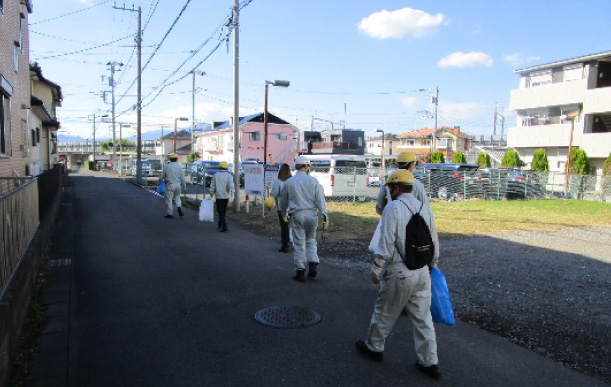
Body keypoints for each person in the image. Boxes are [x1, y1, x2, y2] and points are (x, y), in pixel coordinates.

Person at [356, 169, 442, 379]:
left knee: (385, 311)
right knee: (423, 319)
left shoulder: (393, 208)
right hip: (422, 271)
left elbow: (386, 242)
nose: (390, 192)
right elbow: (434, 241)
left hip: (399, 271)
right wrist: (434, 265)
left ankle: (374, 347)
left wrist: (377, 268)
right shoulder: (425, 207)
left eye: (390, 188)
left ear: (395, 188)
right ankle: (429, 362)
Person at [278, 155, 327, 282]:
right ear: (306, 166)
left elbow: (282, 201)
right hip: (312, 214)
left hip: (297, 214)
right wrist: (325, 215)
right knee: (311, 239)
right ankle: (313, 263)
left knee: (299, 242)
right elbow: (320, 200)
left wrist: (284, 213)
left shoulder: (289, 182)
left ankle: (300, 270)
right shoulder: (314, 181)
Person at [271, 163, 293, 253]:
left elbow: (274, 194)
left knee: (284, 226)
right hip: (292, 207)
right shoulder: (292, 181)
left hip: (282, 207)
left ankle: (285, 245)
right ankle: (291, 242)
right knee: (290, 226)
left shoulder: (278, 182)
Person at [158, 154, 186, 219]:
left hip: (170, 185)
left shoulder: (166, 166)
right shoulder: (179, 167)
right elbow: (183, 178)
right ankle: (179, 207)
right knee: (177, 197)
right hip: (178, 185)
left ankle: (170, 213)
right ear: (176, 159)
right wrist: (184, 187)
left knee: (169, 199)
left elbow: (161, 176)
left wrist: (159, 183)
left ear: (170, 160)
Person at [210, 160, 234, 232]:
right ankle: (220, 225)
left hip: (218, 196)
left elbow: (212, 187)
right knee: (223, 211)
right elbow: (231, 186)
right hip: (226, 196)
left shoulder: (215, 175)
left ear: (219, 167)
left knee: (220, 212)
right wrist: (232, 195)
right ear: (226, 168)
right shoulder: (229, 176)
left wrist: (211, 195)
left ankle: (224, 226)